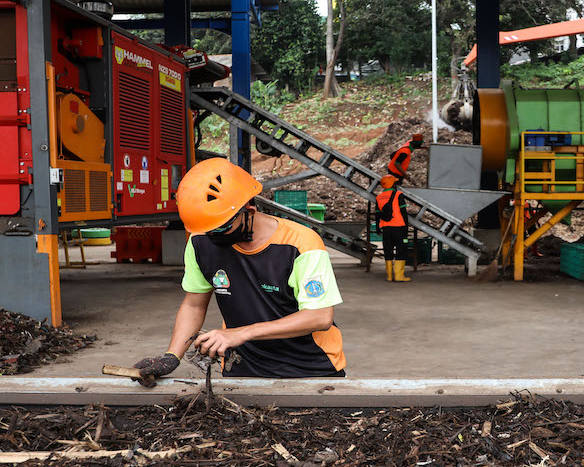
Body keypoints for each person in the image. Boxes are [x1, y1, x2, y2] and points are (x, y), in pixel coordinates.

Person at [131, 158, 346, 383]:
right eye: (206, 229)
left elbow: (319, 317)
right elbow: (194, 304)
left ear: (249, 210)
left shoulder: (300, 243)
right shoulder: (200, 243)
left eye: (221, 226)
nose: (213, 236)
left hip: (311, 369)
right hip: (242, 369)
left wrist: (241, 333)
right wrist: (172, 356)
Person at [376, 174, 412, 282]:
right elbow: (403, 212)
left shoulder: (379, 197)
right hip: (399, 227)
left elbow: (377, 214)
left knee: (388, 250)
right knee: (401, 250)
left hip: (386, 228)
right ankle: (399, 275)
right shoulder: (398, 195)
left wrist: (378, 228)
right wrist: (406, 226)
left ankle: (389, 276)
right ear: (393, 184)